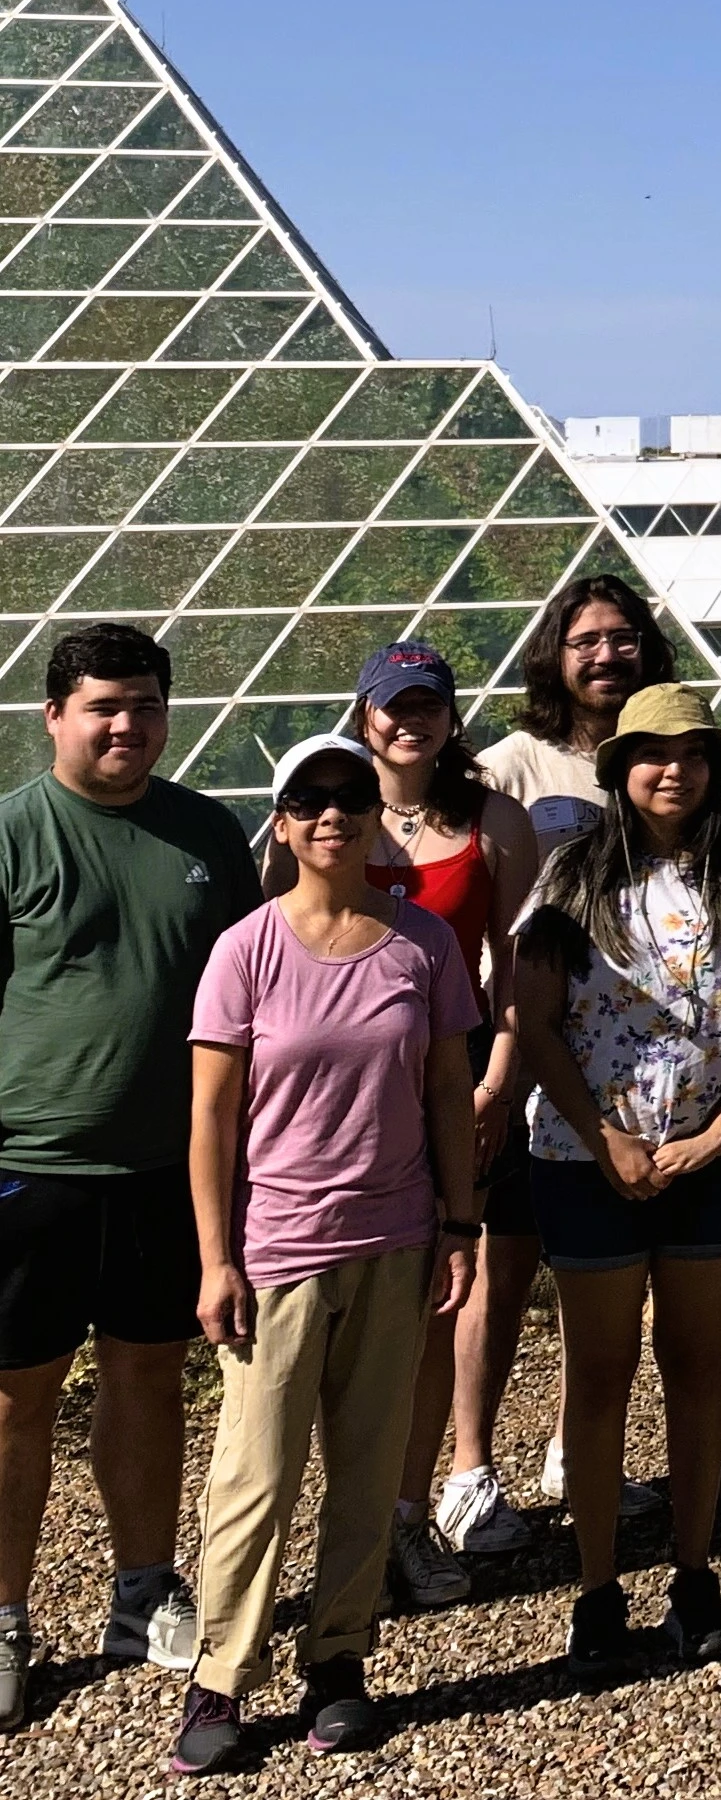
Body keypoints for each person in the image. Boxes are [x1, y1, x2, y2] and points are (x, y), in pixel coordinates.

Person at [167, 737, 481, 1775]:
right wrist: (216, 1260)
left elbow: (445, 1091)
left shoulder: (423, 946)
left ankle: (339, 1660)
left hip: (393, 1240)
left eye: (350, 798)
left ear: (373, 818)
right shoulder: (247, 950)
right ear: (285, 820)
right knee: (255, 1472)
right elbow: (211, 1119)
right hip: (280, 1250)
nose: (333, 815)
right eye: (312, 800)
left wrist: (460, 1222)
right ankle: (222, 1672)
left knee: (365, 1464)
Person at [514, 683, 721, 1673]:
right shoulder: (570, 878)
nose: (670, 770)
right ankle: (597, 1588)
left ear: (715, 767)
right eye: (649, 753)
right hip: (586, 1159)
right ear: (619, 766)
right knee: (596, 1375)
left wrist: (720, 1131)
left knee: (696, 1364)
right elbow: (537, 1022)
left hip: (712, 1160)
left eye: (689, 753)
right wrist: (608, 1140)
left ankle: (692, 1572)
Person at [0, 623, 260, 1732]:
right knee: (16, 1402)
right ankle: (5, 1617)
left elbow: (254, 998)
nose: (128, 725)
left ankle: (142, 1589)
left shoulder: (206, 833)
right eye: (104, 705)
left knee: (149, 1378)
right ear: (53, 715)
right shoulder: (13, 833)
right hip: (29, 1166)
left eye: (146, 704)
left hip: (168, 1168)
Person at [453, 568, 679, 1544]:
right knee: (502, 1267)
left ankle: (571, 1451)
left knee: (604, 1271)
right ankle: (468, 1469)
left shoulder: (662, 760)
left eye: (622, 638)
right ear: (556, 651)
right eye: (586, 639)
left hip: (632, 1049)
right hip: (525, 1042)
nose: (605, 655)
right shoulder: (513, 765)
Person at [324, 643, 540, 1614]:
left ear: (453, 717)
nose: (409, 721)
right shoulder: (329, 817)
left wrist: (497, 1088)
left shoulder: (494, 823)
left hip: (452, 1095)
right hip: (341, 1105)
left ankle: (406, 1512)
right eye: (392, 705)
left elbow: (519, 970)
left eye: (427, 704)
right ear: (365, 714)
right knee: (336, 1321)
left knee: (430, 1312)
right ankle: (349, 1522)